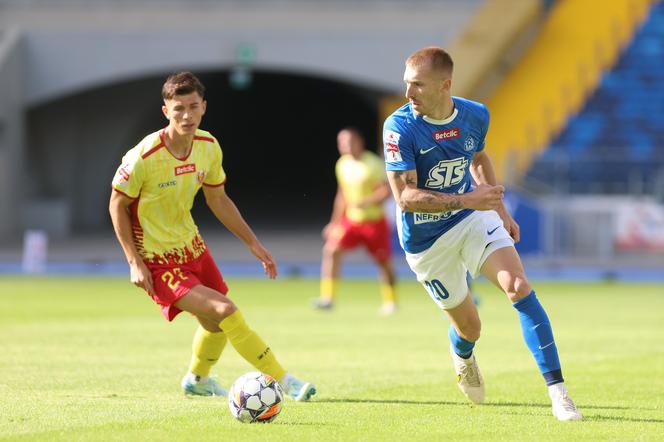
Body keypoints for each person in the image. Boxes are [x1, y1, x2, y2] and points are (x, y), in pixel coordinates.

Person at [382, 47, 582, 421]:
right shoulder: (399, 126)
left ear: (445, 85)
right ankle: (463, 355)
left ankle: (559, 394)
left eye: (417, 85)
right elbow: (405, 199)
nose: (409, 94)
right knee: (470, 327)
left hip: (471, 219)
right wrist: (469, 199)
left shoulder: (476, 114)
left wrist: (497, 207)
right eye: (407, 84)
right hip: (426, 242)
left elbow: (478, 157)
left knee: (519, 287)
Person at [109, 71, 315, 401]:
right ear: (166, 111)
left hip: (192, 247)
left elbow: (217, 199)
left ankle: (198, 380)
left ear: (204, 107)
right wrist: (134, 262)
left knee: (215, 324)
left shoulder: (208, 147)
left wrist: (253, 243)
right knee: (226, 311)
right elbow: (117, 204)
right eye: (178, 109)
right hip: (157, 260)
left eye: (193, 107)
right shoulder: (144, 156)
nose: (187, 115)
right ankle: (285, 381)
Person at [314, 127, 398, 315]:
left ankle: (391, 301)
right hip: (351, 222)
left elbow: (385, 192)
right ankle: (328, 298)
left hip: (374, 221)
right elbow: (342, 194)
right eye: (341, 143)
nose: (345, 146)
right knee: (331, 250)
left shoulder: (372, 164)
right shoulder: (342, 164)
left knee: (383, 262)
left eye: (349, 142)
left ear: (359, 142)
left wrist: (365, 202)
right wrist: (334, 222)